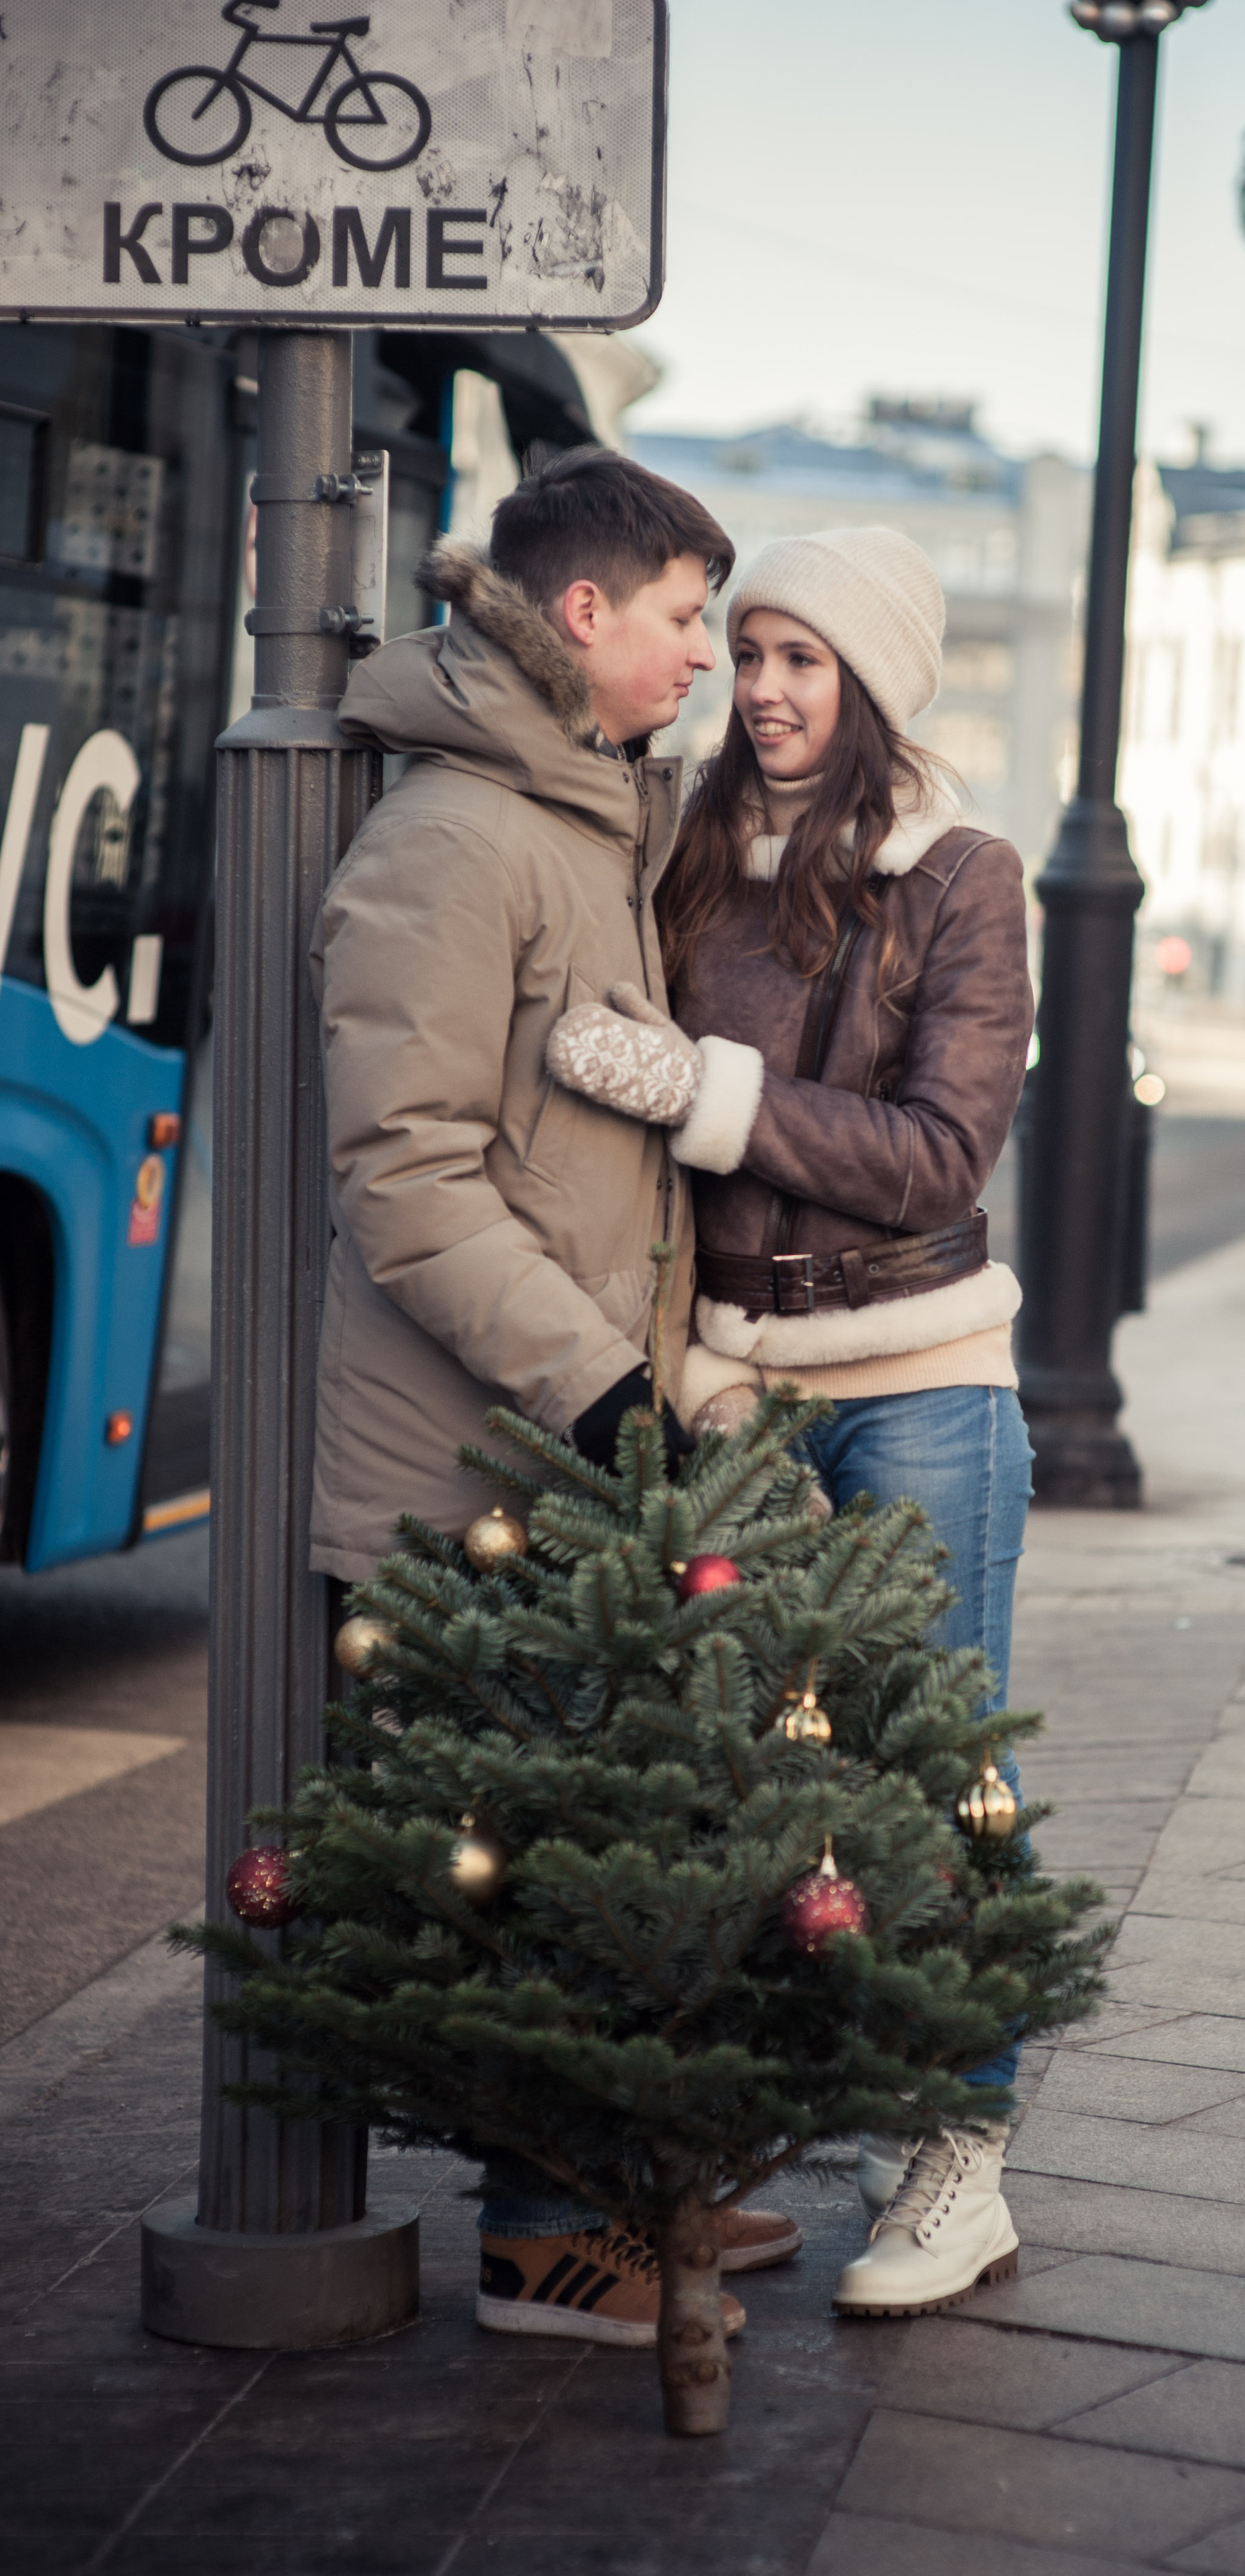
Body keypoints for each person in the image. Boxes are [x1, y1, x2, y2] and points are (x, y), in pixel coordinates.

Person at [309, 448, 802, 2349]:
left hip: (555, 1436)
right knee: (531, 1855)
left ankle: (603, 2189)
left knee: (594, 1837)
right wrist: (606, 1384)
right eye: (689, 616)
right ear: (583, 612)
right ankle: (543, 2237)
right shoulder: (458, 837)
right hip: (474, 1453)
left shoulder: (581, 813)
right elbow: (408, 1174)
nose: (705, 656)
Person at [544, 526, 1036, 2321]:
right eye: (746, 652)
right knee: (747, 1774)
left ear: (875, 680)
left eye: (800, 660)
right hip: (737, 1385)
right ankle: (747, 2143)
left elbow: (935, 1153)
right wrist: (692, 1355)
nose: (759, 690)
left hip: (920, 1389)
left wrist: (708, 1091)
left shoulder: (961, 877)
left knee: (938, 1772)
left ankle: (961, 2152)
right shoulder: (692, 858)